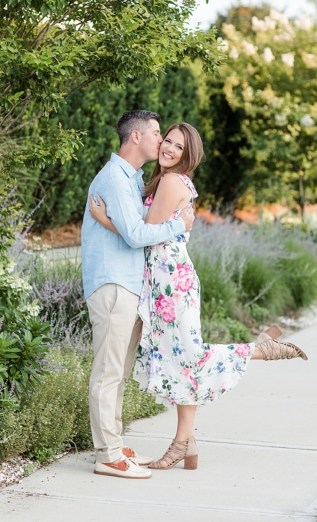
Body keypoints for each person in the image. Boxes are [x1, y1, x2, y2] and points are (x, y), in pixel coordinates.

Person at [90, 122, 307, 472]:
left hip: (170, 282)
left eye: (177, 146)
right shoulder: (170, 181)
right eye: (167, 141)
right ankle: (185, 441)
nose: (168, 148)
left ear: (188, 155)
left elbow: (142, 233)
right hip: (168, 279)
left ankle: (258, 350)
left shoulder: (172, 181)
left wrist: (105, 220)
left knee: (188, 355)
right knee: (182, 359)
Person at [82, 110, 195, 480]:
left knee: (118, 371)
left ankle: (112, 445)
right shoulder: (115, 177)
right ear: (136, 137)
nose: (162, 141)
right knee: (108, 372)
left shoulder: (133, 179)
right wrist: (179, 225)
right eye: (158, 133)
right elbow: (134, 234)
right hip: (113, 284)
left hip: (129, 284)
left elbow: (131, 230)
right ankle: (108, 455)